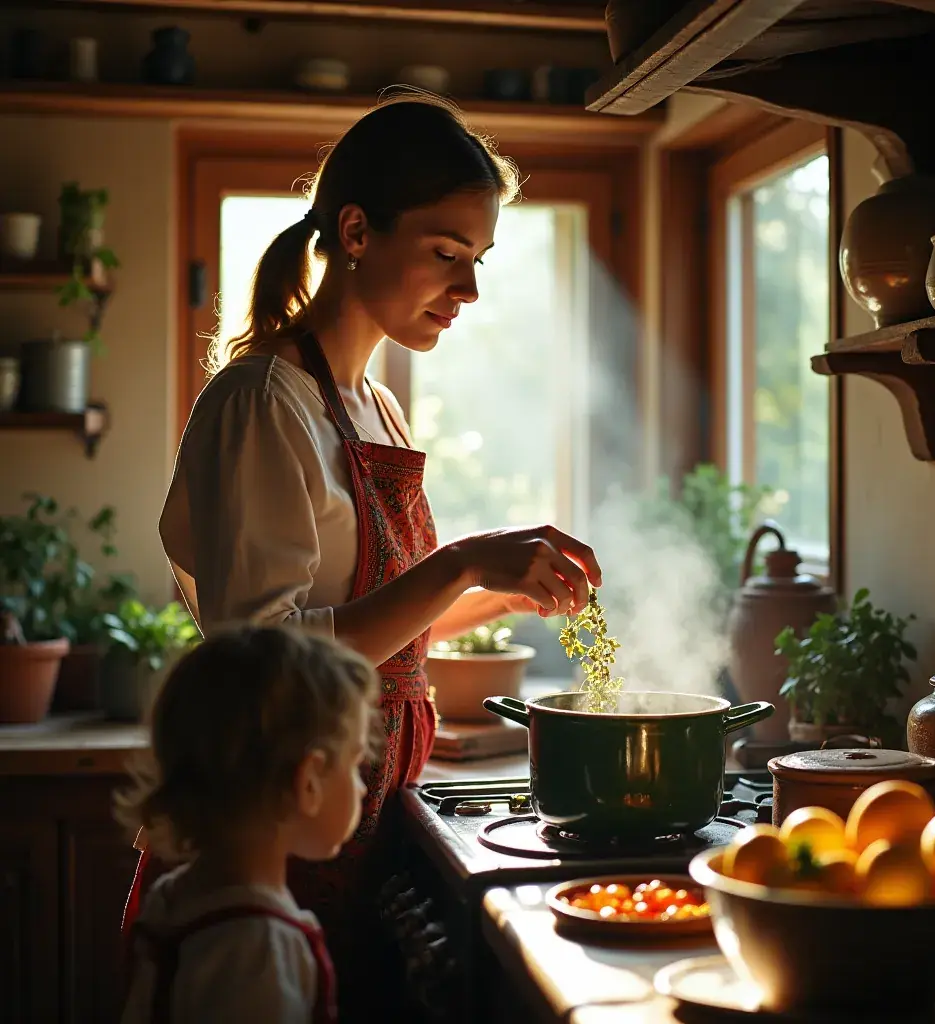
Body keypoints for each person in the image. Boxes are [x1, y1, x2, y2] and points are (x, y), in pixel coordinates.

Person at [126, 90, 603, 1018]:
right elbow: (266, 655)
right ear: (355, 230)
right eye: (446, 254)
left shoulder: (373, 402)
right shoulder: (265, 400)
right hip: (273, 824)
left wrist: (500, 593)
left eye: (479, 262)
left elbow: (373, 627)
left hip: (358, 818)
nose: (468, 291)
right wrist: (463, 561)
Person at [118, 625, 378, 1023]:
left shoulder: (175, 897)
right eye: (355, 765)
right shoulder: (258, 951)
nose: (361, 789)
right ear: (308, 782)